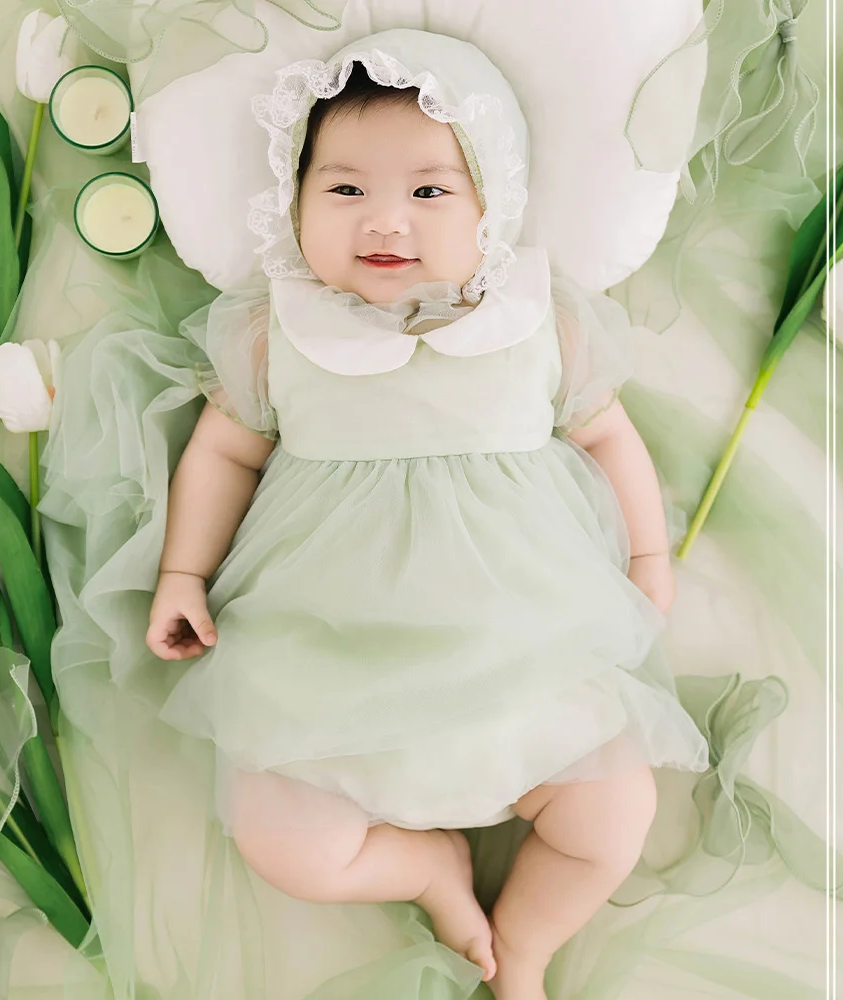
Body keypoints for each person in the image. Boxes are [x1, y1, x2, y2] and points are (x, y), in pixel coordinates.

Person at [144, 30, 708, 1000]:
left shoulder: (536, 318)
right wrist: (182, 572)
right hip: (328, 669)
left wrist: (647, 550)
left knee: (613, 812)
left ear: (495, 201)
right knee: (281, 839)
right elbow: (224, 451)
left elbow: (609, 437)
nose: (385, 222)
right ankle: (427, 866)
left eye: (430, 190)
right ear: (293, 200)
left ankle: (521, 947)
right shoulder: (277, 328)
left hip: (520, 658)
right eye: (345, 189)